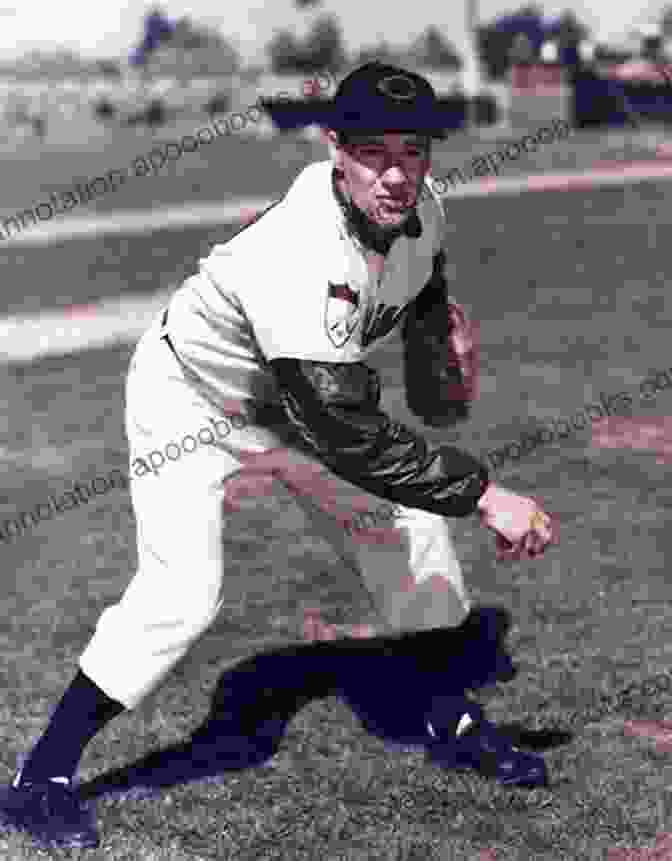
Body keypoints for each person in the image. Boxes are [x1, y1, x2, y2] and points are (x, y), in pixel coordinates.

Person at [0, 62, 557, 851]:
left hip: (296, 405)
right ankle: (39, 779)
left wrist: (442, 353)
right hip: (193, 399)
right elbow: (344, 432)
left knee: (412, 535)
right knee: (182, 593)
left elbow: (423, 301)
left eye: (415, 149)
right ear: (335, 146)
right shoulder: (299, 248)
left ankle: (448, 714)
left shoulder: (424, 211)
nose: (397, 173)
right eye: (373, 152)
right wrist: (485, 492)